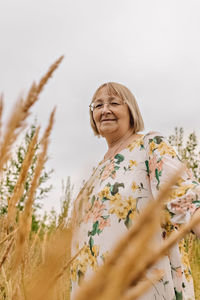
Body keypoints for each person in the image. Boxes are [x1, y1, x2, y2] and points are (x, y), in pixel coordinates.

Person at [70, 82, 200, 300]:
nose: (105, 110)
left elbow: (185, 195)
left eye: (113, 103)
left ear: (131, 109)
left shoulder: (149, 146)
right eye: (98, 105)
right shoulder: (95, 172)